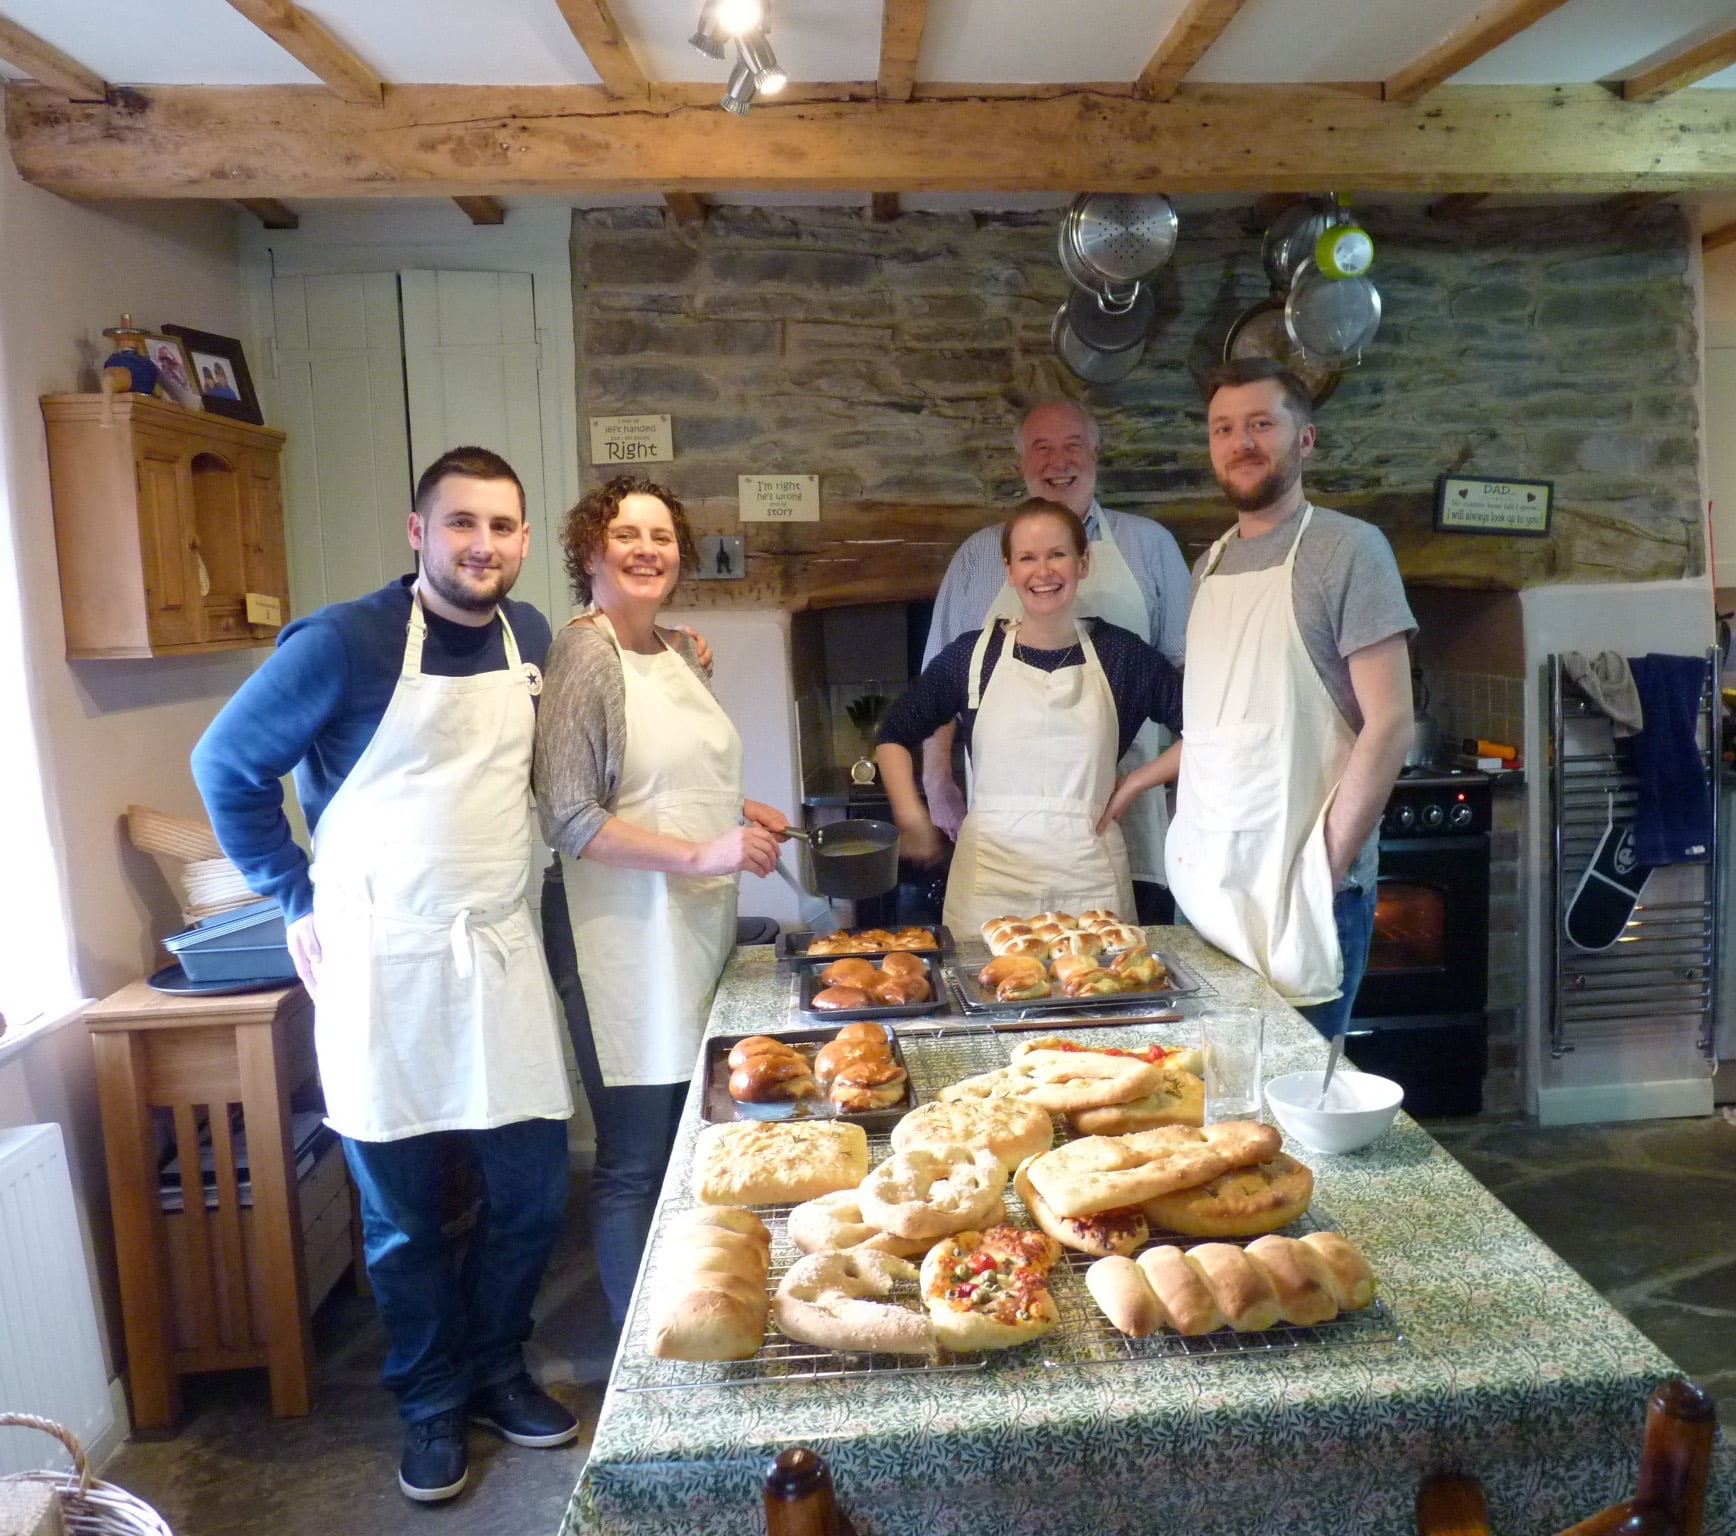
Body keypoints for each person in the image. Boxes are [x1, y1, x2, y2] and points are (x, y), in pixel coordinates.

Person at [192, 446, 578, 1504]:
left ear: (524, 538)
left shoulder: (529, 636)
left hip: (494, 953)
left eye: (501, 526)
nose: (482, 546)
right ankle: (427, 1401)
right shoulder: (345, 641)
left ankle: (497, 1366)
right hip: (381, 963)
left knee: (533, 1194)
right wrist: (293, 891)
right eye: (461, 524)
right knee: (403, 1218)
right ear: (419, 533)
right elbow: (225, 764)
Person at [533, 475, 785, 1328]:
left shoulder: (678, 650)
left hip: (687, 925)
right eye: (626, 534)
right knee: (637, 1159)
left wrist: (737, 813)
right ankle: (641, 1359)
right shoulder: (583, 655)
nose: (647, 550)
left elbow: (668, 781)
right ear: (589, 551)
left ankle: (703, 1315)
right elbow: (569, 815)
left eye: (662, 537)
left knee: (696, 1143)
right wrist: (707, 850)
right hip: (617, 939)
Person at [1165, 359, 1415, 1039]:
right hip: (1208, 889)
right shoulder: (1207, 565)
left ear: (1304, 438)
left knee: (1295, 1113)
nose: (1240, 442)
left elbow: (1391, 722)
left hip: (1302, 891)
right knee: (1211, 1098)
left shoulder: (1349, 550)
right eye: (1224, 428)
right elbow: (1222, 728)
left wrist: (1324, 866)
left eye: (1260, 424)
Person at [920, 399, 1192, 924]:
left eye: (1072, 445)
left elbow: (1189, 685)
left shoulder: (1150, 546)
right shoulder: (978, 557)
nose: (1057, 462)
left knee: (1111, 976)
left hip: (1121, 818)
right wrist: (938, 784)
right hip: (1007, 838)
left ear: (1095, 452)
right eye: (1042, 448)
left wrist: (1165, 787)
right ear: (1022, 461)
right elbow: (939, 688)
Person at [877, 498, 1183, 934]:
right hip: (990, 881)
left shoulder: (1122, 656)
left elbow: (1207, 732)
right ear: (1009, 570)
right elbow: (893, 734)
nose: (1043, 572)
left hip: (1090, 880)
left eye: (1057, 554)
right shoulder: (971, 656)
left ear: (1083, 562)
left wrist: (1136, 782)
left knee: (1096, 996)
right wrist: (911, 818)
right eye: (1028, 558)